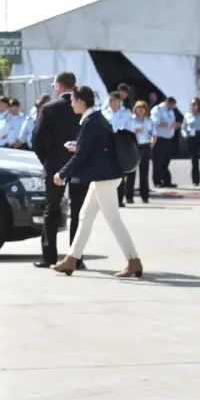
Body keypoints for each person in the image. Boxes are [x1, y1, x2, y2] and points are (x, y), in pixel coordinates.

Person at [50, 86, 142, 278]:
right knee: (85, 217)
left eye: (73, 101)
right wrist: (78, 146)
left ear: (81, 101)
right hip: (104, 176)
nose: (72, 105)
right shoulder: (95, 118)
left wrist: (62, 173)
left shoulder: (91, 121)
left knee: (113, 220)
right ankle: (71, 259)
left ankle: (133, 260)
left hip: (104, 178)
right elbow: (96, 146)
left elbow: (83, 154)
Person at [31, 71, 89, 270]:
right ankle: (76, 257)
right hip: (80, 165)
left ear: (58, 86)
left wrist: (47, 161)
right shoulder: (83, 107)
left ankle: (50, 256)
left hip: (55, 165)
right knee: (78, 211)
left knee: (51, 210)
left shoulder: (48, 108)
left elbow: (36, 139)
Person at [149, 97, 179, 187]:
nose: (173, 107)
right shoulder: (158, 109)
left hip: (168, 139)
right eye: (172, 105)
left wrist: (174, 126)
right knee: (158, 161)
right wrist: (171, 125)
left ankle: (166, 181)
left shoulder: (170, 111)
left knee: (166, 161)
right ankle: (157, 181)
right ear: (168, 103)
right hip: (159, 138)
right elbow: (156, 122)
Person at [129, 100, 154, 203]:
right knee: (131, 172)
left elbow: (154, 134)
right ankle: (129, 196)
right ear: (135, 109)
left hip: (145, 146)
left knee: (144, 172)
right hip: (134, 146)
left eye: (142, 108)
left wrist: (151, 145)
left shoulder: (149, 121)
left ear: (145, 110)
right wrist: (134, 131)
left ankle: (145, 196)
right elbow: (127, 133)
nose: (140, 109)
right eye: (138, 107)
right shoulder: (131, 120)